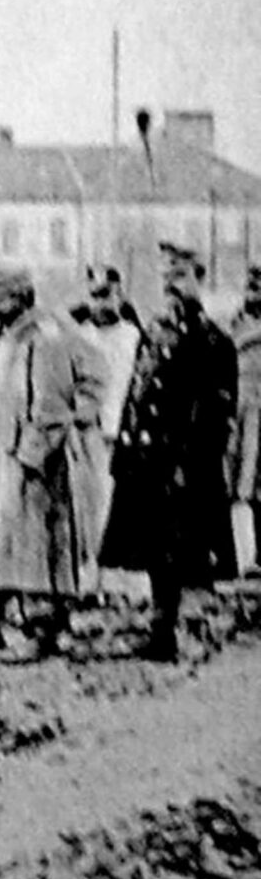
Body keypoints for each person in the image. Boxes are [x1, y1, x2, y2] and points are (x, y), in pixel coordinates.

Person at [98, 248, 239, 661]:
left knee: (187, 550)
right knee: (155, 550)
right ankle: (161, 631)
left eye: (179, 276)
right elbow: (137, 394)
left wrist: (190, 464)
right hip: (148, 461)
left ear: (199, 279)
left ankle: (189, 631)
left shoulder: (211, 340)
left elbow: (216, 415)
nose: (171, 286)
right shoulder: (155, 332)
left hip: (185, 466)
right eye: (166, 278)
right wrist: (126, 451)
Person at [0, 268, 103, 659]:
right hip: (0, 453)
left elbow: (52, 403)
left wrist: (34, 453)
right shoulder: (12, 336)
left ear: (20, 297)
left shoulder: (44, 336)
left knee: (37, 545)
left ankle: (43, 629)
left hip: (32, 459)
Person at [67, 264, 141, 592]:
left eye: (106, 296)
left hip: (124, 431)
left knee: (119, 505)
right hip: (88, 431)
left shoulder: (132, 336)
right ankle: (89, 574)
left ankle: (117, 576)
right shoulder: (80, 335)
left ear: (119, 295)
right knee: (87, 503)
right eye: (94, 296)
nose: (100, 304)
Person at [232, 266, 261, 576]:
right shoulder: (236, 322)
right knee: (244, 483)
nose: (254, 292)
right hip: (243, 408)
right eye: (251, 287)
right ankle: (246, 555)